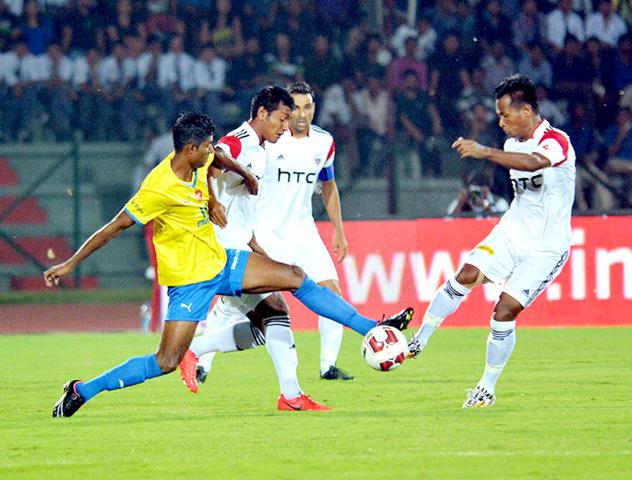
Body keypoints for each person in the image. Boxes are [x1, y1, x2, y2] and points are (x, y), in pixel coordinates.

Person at [47, 101, 412, 418]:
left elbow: (221, 157)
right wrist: (69, 264)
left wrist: (245, 175)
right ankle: (83, 390)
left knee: (294, 278)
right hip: (190, 281)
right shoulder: (158, 187)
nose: (212, 151)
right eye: (205, 146)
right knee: (165, 362)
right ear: (190, 148)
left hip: (222, 262)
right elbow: (113, 227)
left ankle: (371, 330)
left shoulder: (196, 161)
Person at [409, 75, 576, 408]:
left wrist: (485, 152)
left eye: (504, 115)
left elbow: (534, 163)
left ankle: (486, 387)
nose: (500, 122)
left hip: (546, 248)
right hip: (511, 232)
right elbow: (519, 167)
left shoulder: (556, 141)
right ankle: (418, 341)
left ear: (526, 109)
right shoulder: (512, 144)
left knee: (503, 311)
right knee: (466, 274)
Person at [193, 82, 354, 384]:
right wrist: (220, 198)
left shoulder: (323, 143)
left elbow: (328, 186)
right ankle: (201, 359)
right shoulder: (268, 141)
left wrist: (339, 231)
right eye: (292, 110)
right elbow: (217, 159)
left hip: (303, 232)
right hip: (264, 232)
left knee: (329, 294)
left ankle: (327, 367)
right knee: (246, 310)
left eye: (308, 107)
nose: (300, 115)